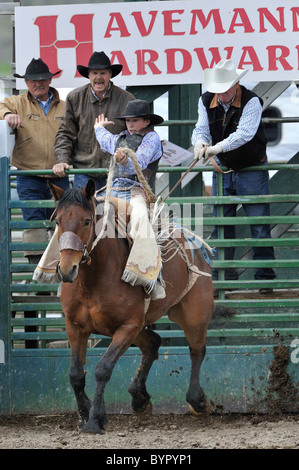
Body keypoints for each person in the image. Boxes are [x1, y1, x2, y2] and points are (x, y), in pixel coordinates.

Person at [191, 59, 275, 294]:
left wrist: (216, 148)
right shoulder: (207, 100)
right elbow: (201, 128)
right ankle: (223, 277)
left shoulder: (251, 101)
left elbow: (244, 134)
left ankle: (264, 279)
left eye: (226, 88)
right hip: (228, 169)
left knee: (258, 225)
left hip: (249, 168)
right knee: (222, 225)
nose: (222, 94)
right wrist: (199, 141)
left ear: (236, 83)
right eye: (219, 89)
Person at [94, 99, 165, 300]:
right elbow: (106, 140)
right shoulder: (120, 138)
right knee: (80, 213)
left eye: (135, 121)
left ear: (146, 122)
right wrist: (98, 128)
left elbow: (140, 160)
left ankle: (152, 276)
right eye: (128, 121)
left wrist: (125, 160)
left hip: (135, 191)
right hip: (112, 189)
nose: (130, 125)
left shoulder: (151, 139)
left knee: (141, 220)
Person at [0, 58, 69, 264]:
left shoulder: (65, 106)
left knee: (62, 221)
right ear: (26, 83)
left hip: (59, 173)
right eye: (32, 80)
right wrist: (7, 114)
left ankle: (59, 271)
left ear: (49, 80)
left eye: (41, 79)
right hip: (28, 173)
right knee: (33, 222)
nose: (37, 83)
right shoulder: (16, 103)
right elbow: (0, 106)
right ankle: (38, 273)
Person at [52, 51, 135, 190]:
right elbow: (65, 133)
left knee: (115, 211)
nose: (98, 77)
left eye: (102, 73)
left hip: (117, 170)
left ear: (110, 74)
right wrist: (62, 160)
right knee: (85, 210)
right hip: (84, 170)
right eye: (94, 73)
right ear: (88, 75)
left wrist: (132, 161)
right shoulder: (74, 98)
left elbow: (135, 134)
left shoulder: (127, 99)